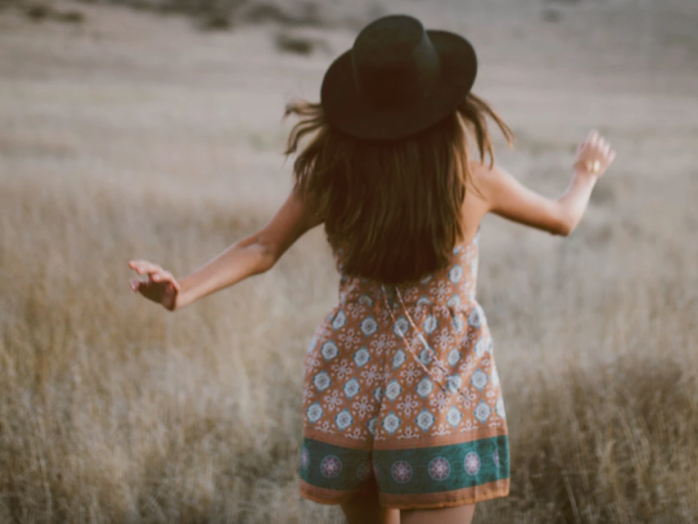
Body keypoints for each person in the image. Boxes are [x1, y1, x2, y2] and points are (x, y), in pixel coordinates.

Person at [128, 14, 615, 524]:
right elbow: (562, 219)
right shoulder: (471, 179)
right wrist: (586, 173)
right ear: (445, 106)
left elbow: (263, 247)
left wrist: (181, 291)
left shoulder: (333, 178)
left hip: (350, 386)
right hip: (438, 387)